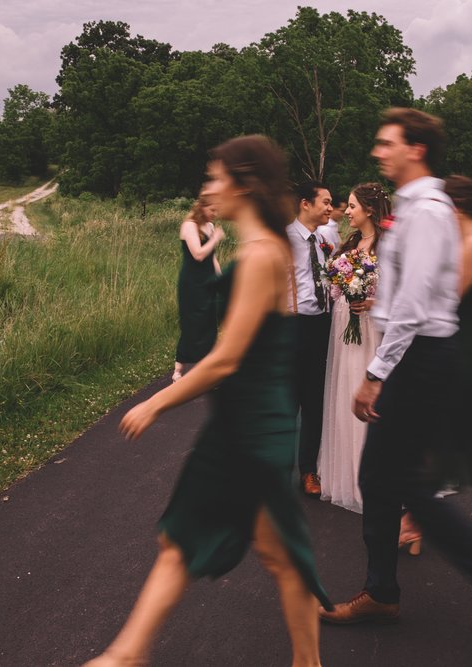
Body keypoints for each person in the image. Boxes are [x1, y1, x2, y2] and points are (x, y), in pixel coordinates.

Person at [85, 136, 330, 667]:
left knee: (190, 540)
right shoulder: (265, 248)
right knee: (274, 554)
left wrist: (157, 403)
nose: (208, 187)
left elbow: (226, 359)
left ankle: (126, 655)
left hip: (248, 431)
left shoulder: (263, 253)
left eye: (216, 177)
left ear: (244, 184)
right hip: (248, 423)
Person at [320, 108, 472, 635]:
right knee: (388, 479)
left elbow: (413, 305)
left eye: (387, 144)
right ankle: (390, 590)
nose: (379, 152)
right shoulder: (420, 207)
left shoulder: (424, 212)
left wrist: (375, 373)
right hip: (423, 357)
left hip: (421, 358)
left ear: (415, 149)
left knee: (394, 480)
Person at [318, 183, 389, 514]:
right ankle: (349, 474)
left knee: (369, 395)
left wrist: (373, 301)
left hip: (372, 329)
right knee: (346, 390)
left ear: (370, 210)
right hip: (346, 326)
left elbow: (398, 292)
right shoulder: (349, 245)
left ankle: (375, 478)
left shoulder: (386, 247)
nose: (345, 212)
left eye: (351, 206)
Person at [287, 181, 340, 496]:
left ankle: (309, 470)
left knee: (314, 401)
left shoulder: (324, 239)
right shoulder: (284, 237)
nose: (330, 208)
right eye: (326, 202)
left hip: (322, 324)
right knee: (286, 400)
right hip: (292, 324)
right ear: (305, 203)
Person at [171, 196, 224, 383]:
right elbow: (199, 254)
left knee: (209, 320)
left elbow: (212, 257)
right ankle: (179, 368)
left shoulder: (209, 227)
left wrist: (221, 278)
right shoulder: (189, 225)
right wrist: (216, 239)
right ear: (202, 208)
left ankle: (206, 366)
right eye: (212, 210)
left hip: (208, 280)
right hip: (192, 282)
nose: (215, 214)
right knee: (192, 322)